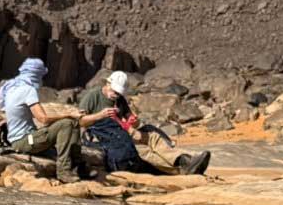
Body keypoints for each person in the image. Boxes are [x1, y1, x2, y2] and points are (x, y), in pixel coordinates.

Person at [77, 71, 212, 176]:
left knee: (153, 137)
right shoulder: (93, 96)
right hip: (103, 136)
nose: (116, 95)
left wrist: (134, 121)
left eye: (118, 93)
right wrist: (100, 115)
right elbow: (80, 121)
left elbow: (132, 120)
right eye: (114, 91)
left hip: (122, 133)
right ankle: (180, 168)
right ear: (107, 84)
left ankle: (184, 160)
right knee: (143, 150)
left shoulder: (120, 100)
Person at [0, 57, 104, 182]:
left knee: (72, 122)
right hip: (24, 141)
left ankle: (78, 166)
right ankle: (63, 171)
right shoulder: (28, 90)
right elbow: (43, 119)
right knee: (66, 123)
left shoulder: (11, 87)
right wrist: (69, 114)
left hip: (24, 139)